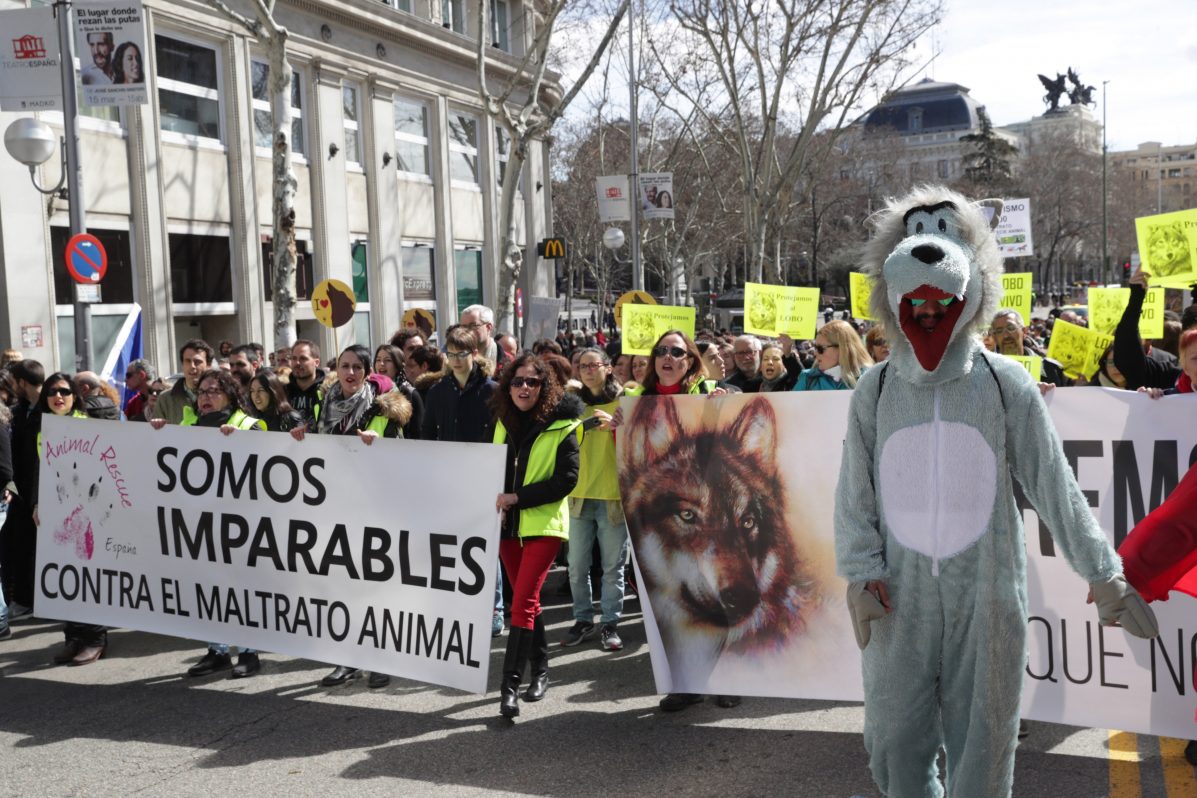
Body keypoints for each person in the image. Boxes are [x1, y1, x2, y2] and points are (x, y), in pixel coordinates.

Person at [291, 345, 411, 689]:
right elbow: (315, 450)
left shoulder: (382, 408)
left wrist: (380, 443)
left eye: (358, 367)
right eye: (344, 366)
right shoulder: (324, 403)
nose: (350, 373)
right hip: (334, 507)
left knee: (374, 587)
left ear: (367, 370)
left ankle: (381, 658)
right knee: (341, 587)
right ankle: (348, 659)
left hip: (374, 508)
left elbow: (406, 457)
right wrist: (301, 437)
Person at [151, 369, 266, 677]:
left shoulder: (247, 425)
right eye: (202, 392)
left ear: (230, 395)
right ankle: (216, 650)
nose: (206, 397)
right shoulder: (188, 425)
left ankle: (248, 652)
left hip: (239, 524)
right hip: (199, 522)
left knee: (239, 588)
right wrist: (160, 432)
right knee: (207, 587)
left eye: (214, 391)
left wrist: (238, 442)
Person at [488, 354, 583, 718]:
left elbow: (566, 481)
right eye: (517, 381)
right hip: (507, 527)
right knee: (527, 603)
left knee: (522, 603)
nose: (524, 387)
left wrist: (518, 498)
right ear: (507, 386)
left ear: (545, 388)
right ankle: (541, 671)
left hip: (543, 525)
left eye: (532, 382)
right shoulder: (499, 421)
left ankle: (508, 688)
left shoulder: (565, 426)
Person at [35, 374, 108, 665]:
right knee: (65, 575)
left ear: (75, 395)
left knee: (88, 576)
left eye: (64, 391)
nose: (58, 396)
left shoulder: (87, 424)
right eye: (52, 392)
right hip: (57, 512)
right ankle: (73, 637)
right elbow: (38, 471)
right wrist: (37, 503)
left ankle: (95, 637)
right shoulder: (43, 429)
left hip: (87, 512)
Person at [561, 348, 630, 654]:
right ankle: (582, 618)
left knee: (613, 566)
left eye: (594, 365)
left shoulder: (624, 402)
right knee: (576, 566)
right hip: (578, 495)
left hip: (613, 495)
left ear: (608, 367)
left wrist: (618, 426)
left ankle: (611, 623)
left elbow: (637, 441)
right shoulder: (570, 404)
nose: (588, 370)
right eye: (583, 366)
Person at [0, 359, 44, 621]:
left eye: (14, 381)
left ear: (22, 382)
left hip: (42, 491)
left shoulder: (49, 409)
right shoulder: (20, 410)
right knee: (21, 547)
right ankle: (25, 599)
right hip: (23, 493)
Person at [989, 310, 1067, 386]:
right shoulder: (986, 371)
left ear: (1024, 331)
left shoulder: (1050, 369)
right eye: (999, 331)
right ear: (994, 337)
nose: (1005, 335)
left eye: (1011, 328)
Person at [793, 320, 872, 390]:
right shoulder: (807, 379)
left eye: (820, 348)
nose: (815, 353)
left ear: (842, 348)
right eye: (815, 347)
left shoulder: (871, 378)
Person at [154, 339, 215, 424]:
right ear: (182, 365)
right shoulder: (165, 399)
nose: (192, 366)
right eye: (188, 361)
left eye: (197, 362)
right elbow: (157, 434)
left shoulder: (220, 396)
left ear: (209, 365)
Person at [373, 344, 424, 439]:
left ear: (398, 365)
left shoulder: (410, 393)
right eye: (378, 360)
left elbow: (417, 433)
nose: (381, 364)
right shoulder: (370, 391)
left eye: (387, 360)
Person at [286, 340, 325, 429]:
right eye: (294, 358)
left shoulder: (327, 392)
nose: (297, 363)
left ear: (316, 362)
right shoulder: (283, 392)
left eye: (303, 358)